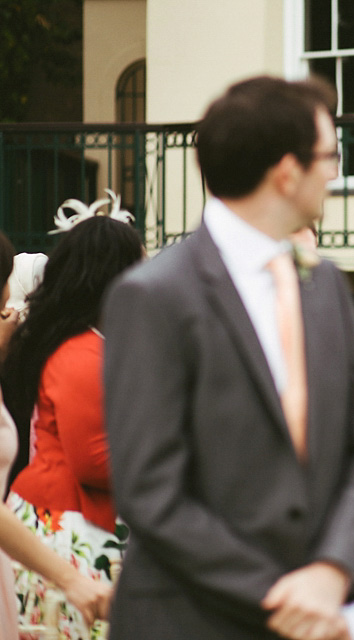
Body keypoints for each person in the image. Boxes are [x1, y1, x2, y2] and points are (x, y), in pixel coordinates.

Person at [102, 75, 354, 640]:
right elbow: (151, 491)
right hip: (191, 618)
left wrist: (330, 571)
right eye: (330, 154)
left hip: (324, 609)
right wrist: (284, 596)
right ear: (287, 170)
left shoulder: (325, 288)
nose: (336, 172)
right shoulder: (153, 297)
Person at [1, 209, 142, 638]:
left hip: (72, 522)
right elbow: (94, 461)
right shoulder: (81, 354)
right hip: (66, 529)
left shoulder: (91, 346)